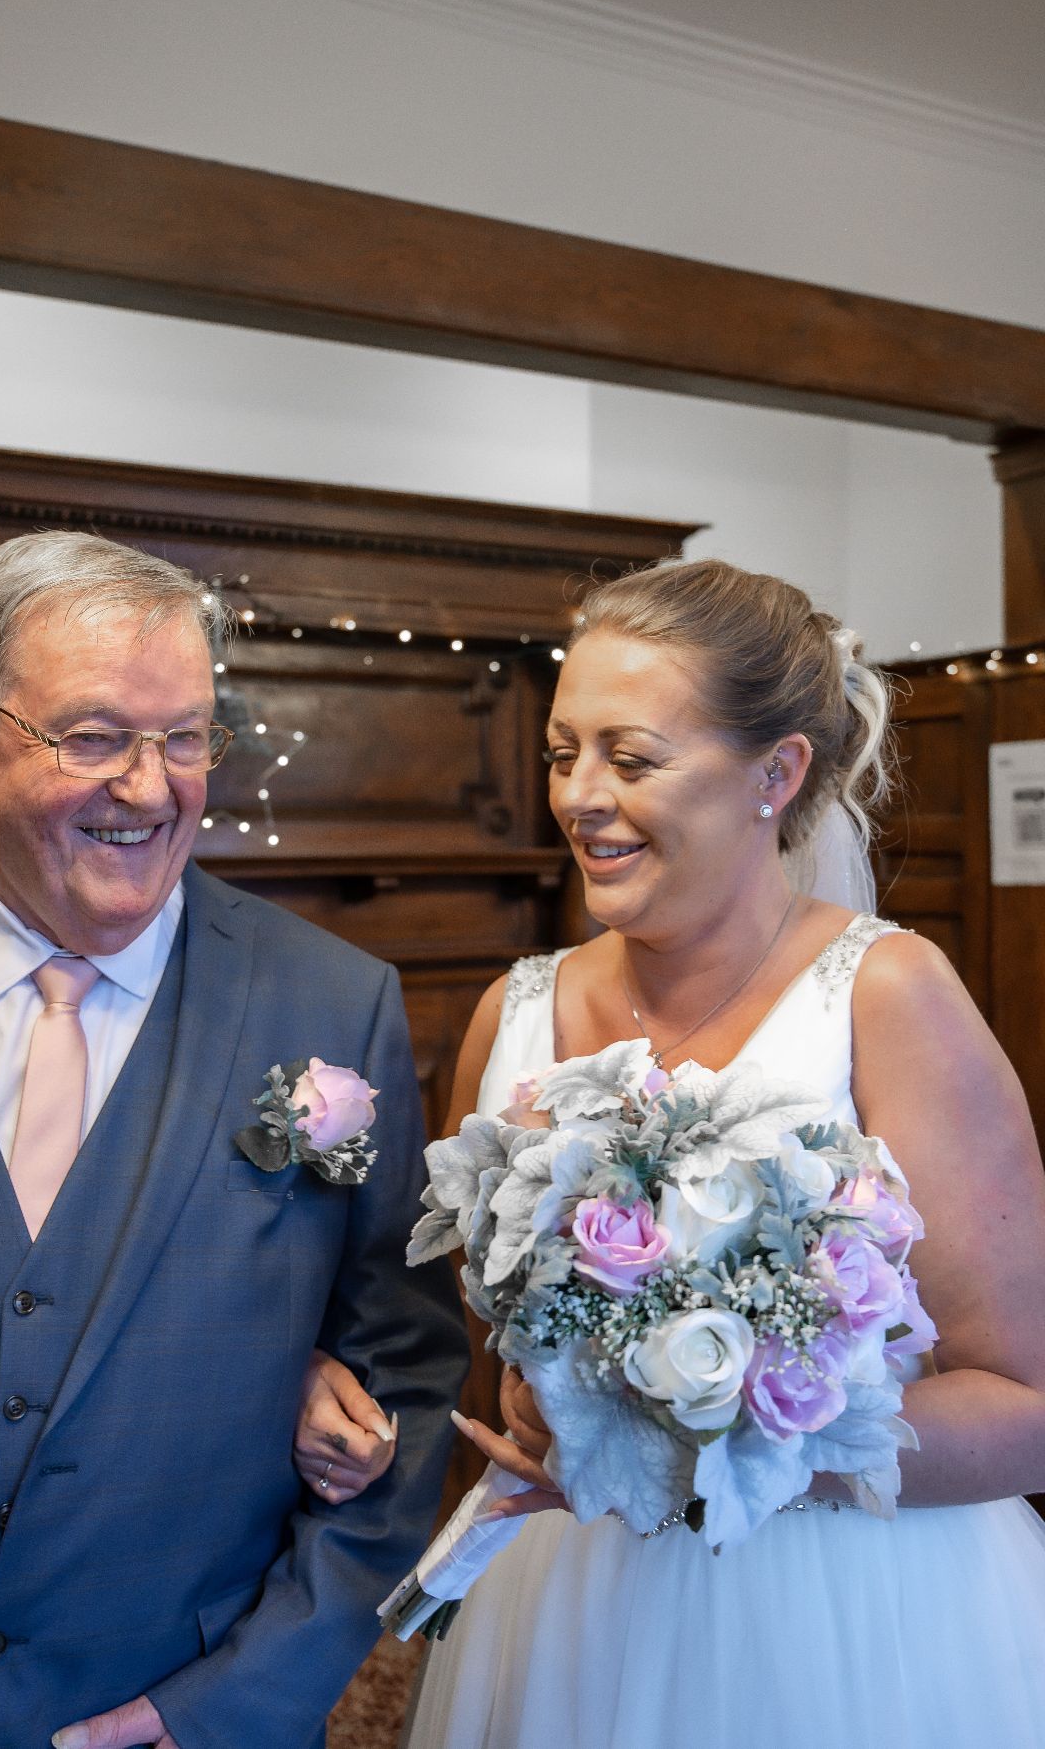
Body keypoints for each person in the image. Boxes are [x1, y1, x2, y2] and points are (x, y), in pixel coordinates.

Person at [403, 558, 1045, 1749]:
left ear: (776, 774)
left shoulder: (888, 997)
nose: (580, 796)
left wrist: (711, 1451)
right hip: (570, 1602)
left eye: (632, 758)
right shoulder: (510, 1017)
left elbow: (1027, 1406)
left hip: (846, 1624)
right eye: (562, 753)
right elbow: (490, 1347)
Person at [0, 530, 467, 1749]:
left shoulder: (334, 1005)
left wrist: (237, 1704)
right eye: (93, 738)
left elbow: (405, 1384)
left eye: (185, 739)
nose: (150, 787)